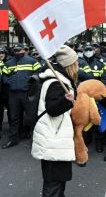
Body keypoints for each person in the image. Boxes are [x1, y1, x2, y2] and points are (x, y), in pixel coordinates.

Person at [31, 46, 77, 197]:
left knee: (57, 181)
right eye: (75, 63)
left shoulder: (58, 79)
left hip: (54, 139)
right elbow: (52, 109)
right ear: (69, 65)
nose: (77, 66)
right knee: (54, 185)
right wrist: (67, 101)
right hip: (53, 141)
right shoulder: (56, 82)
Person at [2, 43, 41, 149]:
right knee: (14, 118)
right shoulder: (9, 63)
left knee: (32, 117)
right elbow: (4, 76)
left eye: (19, 50)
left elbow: (39, 73)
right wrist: (9, 82)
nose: (17, 52)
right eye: (15, 50)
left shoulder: (32, 61)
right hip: (13, 94)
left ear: (24, 50)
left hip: (28, 93)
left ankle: (35, 140)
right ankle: (13, 139)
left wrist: (32, 80)